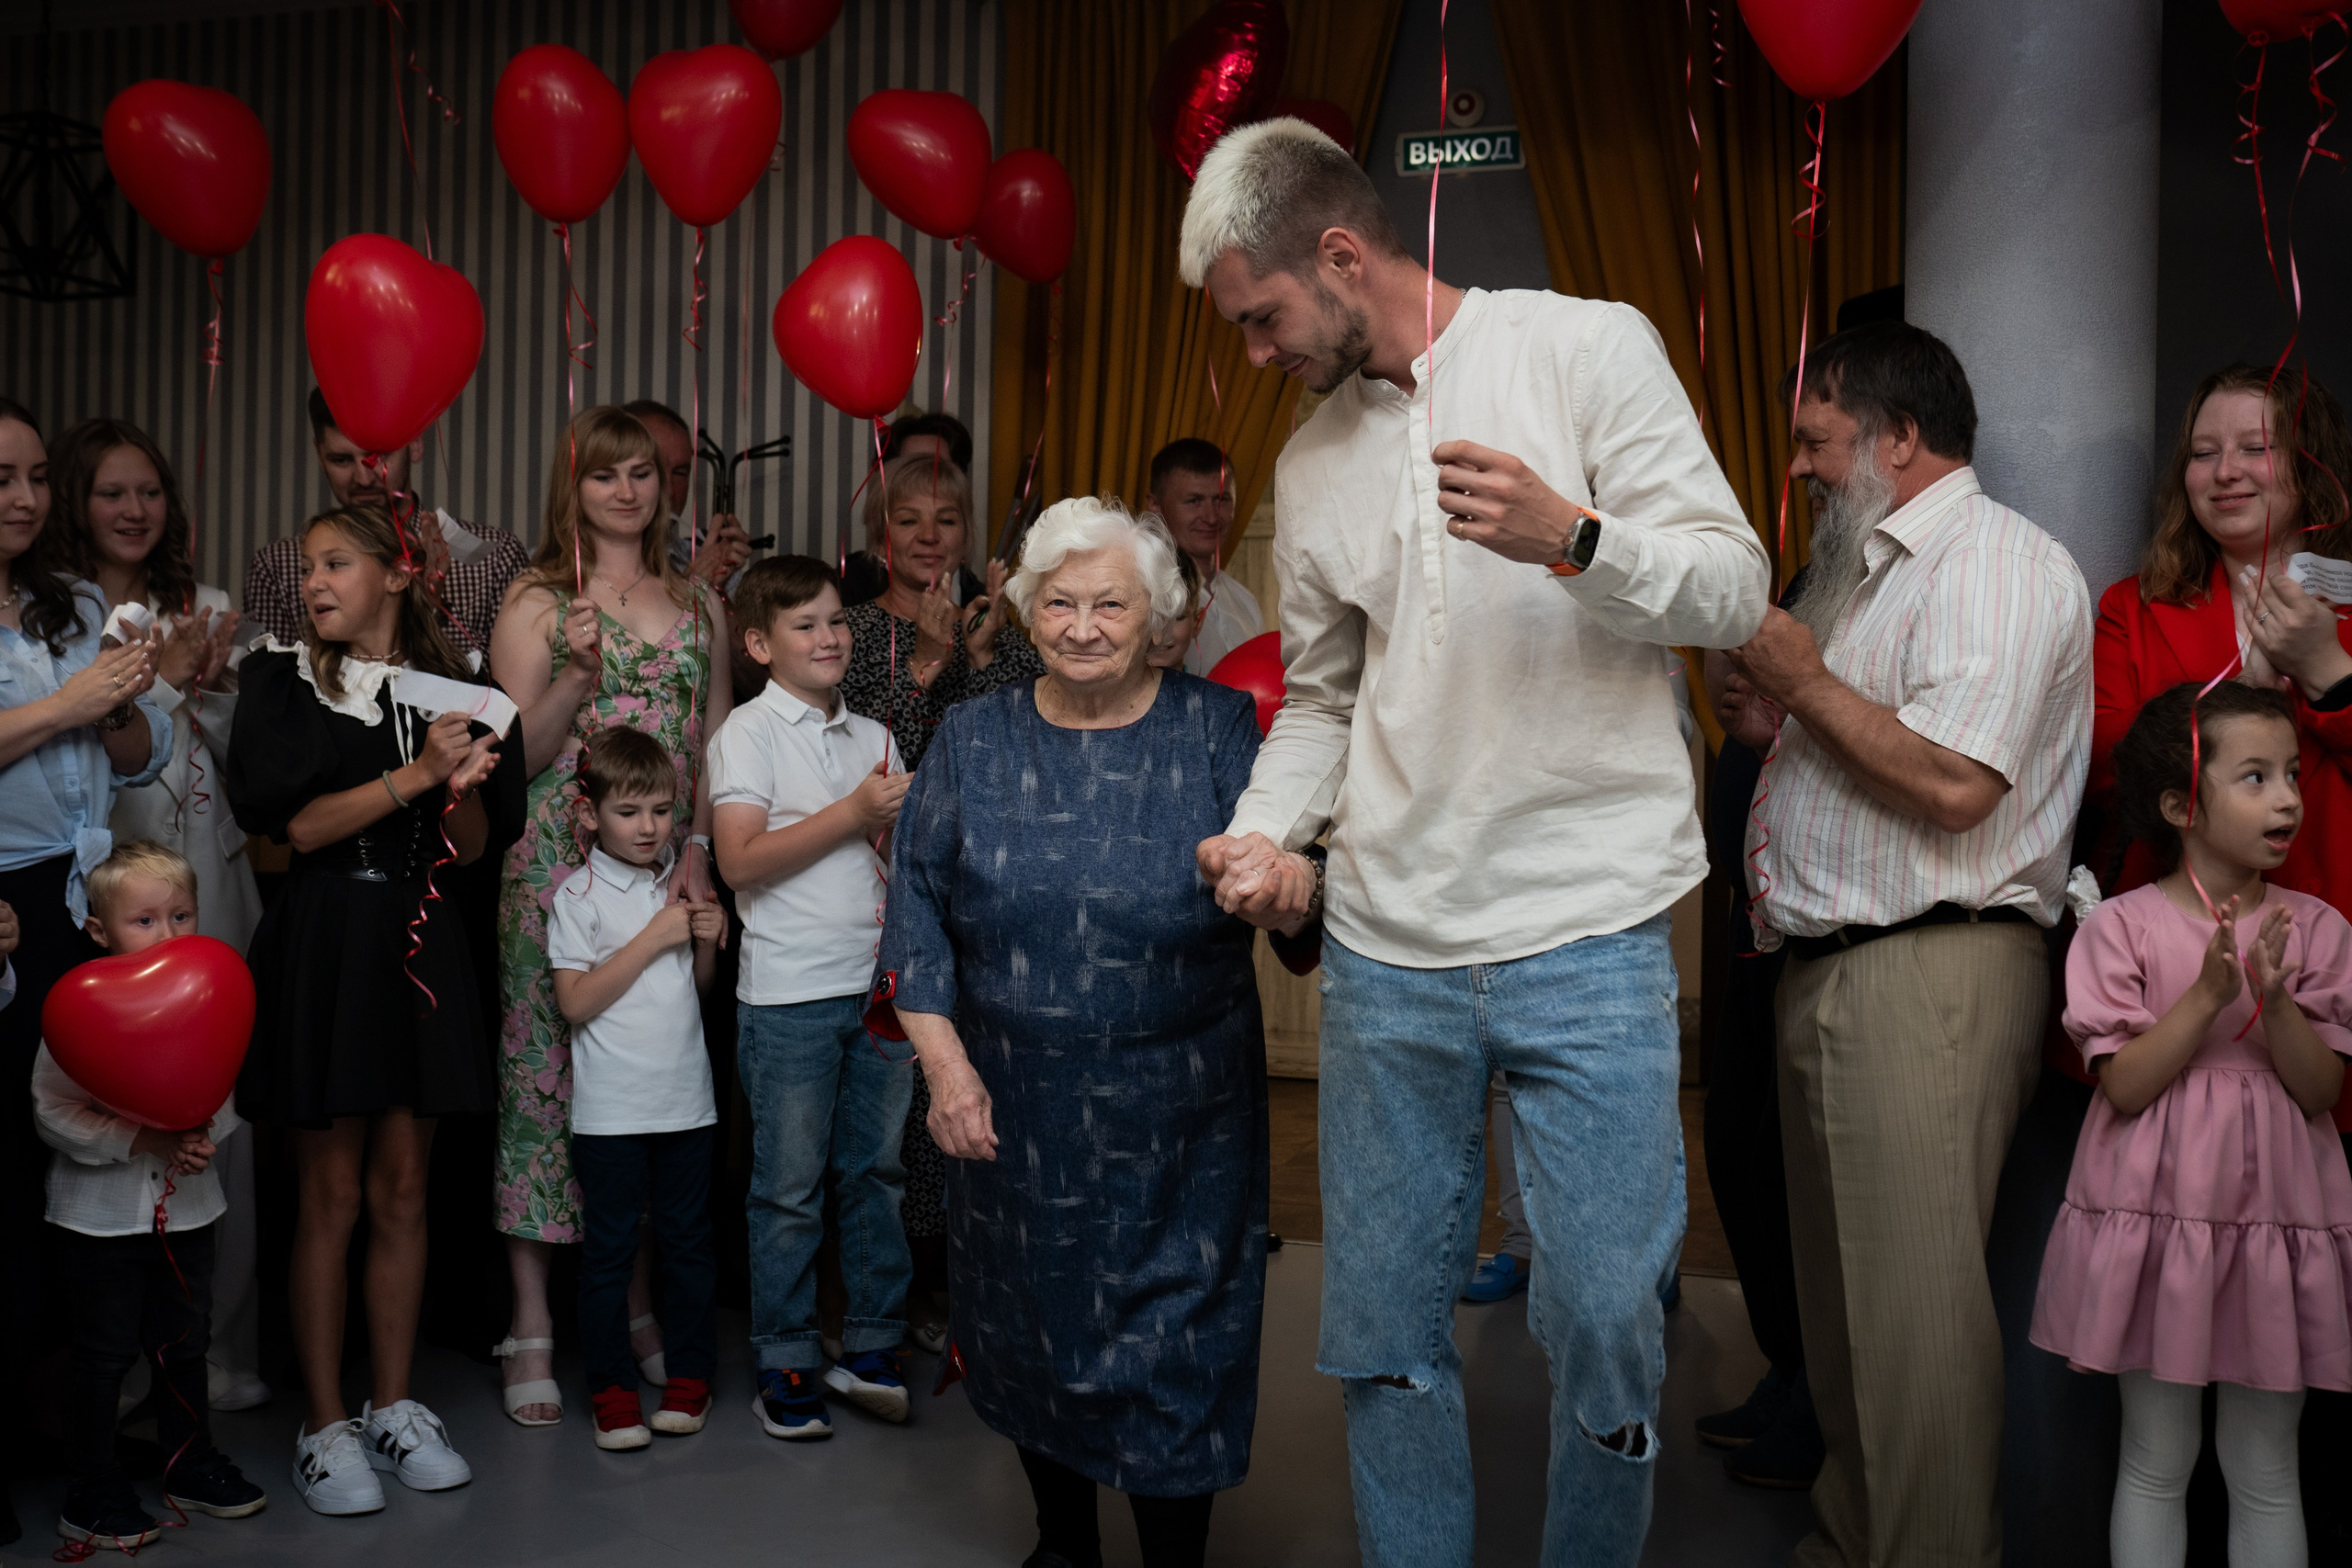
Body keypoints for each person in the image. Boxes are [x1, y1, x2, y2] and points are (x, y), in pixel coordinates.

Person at [1182, 119, 1767, 1566]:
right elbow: (1321, 696)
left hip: (1592, 928)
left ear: (1340, 255)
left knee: (1609, 1324)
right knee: (1383, 1333)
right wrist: (1263, 832)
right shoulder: (1313, 466)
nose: (1256, 357)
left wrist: (1578, 538)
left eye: (1263, 319)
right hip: (1390, 951)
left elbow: (1735, 586)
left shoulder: (1585, 349)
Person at [1724, 323, 2092, 1568]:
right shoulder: (1872, 570)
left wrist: (1803, 678)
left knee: (1915, 1330)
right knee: (1847, 1328)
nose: (1808, 467)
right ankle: (1851, 1543)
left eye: (1820, 442)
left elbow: (1953, 783)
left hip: (1928, 971)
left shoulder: (1992, 562)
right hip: (1838, 968)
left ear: (1897, 438)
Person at [882, 497, 1296, 1568]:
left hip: (1183, 1120)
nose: (1080, 626)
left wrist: (1284, 890)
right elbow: (914, 904)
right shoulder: (972, 737)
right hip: (1013, 1109)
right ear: (1025, 609)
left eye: (1109, 603)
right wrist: (945, 1065)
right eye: (1057, 602)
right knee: (1030, 1331)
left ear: (1156, 613)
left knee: (1179, 1346)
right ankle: (1062, 1541)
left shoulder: (1216, 728)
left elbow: (1296, 898)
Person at [227, 501, 523, 1517]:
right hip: (328, 940)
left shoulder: (461, 692)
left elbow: (475, 849)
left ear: (398, 573)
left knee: (404, 1189)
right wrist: (416, 774)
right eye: (308, 567)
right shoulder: (283, 683)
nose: (313, 583)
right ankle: (324, 1425)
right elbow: (297, 829)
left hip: (422, 941)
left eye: (336, 563)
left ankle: (394, 1405)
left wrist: (464, 784)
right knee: (332, 1195)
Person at [2031, 681, 2352, 1564]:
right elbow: (2125, 1088)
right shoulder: (2120, 928)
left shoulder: (2318, 931)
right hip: (2157, 1227)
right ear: (2180, 805)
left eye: (2291, 773)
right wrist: (2209, 993)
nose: (2288, 795)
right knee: (2155, 1458)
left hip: (2272, 1228)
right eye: (2255, 776)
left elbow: (2320, 1090)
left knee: (2264, 1467)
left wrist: (2273, 998)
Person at [488, 404, 731, 1427]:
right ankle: (533, 1318)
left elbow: (716, 740)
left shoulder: (699, 603)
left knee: (648, 1087)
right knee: (546, 1088)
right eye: (605, 475)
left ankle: (632, 1302)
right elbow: (517, 761)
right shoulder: (536, 600)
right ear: (573, 487)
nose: (629, 491)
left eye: (643, 473)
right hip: (554, 867)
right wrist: (577, 672)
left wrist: (703, 858)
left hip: (666, 862)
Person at [2088, 369, 2352, 1136]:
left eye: (2255, 447)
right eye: (2204, 453)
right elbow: (2109, 769)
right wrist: (2243, 693)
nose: (2226, 471)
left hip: (2331, 938)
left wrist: (2329, 671)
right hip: (2176, 959)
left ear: (2312, 462)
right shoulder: (2132, 606)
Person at [0, 399, 169, 1545]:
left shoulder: (66, 603)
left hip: (81, 901)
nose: (21, 498)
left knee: (81, 1175)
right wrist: (70, 702)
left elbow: (137, 747)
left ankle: (70, 1430)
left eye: (29, 479)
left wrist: (124, 695)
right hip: (6, 902)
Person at [709, 556, 913, 1439]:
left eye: (836, 620)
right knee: (788, 1188)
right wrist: (854, 811)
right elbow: (740, 861)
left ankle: (869, 1345)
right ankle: (784, 1355)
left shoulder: (874, 733)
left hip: (878, 992)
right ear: (759, 644)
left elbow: (897, 862)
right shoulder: (747, 734)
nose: (829, 636)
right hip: (789, 995)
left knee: (875, 1175)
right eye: (805, 624)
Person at [841, 451, 1039, 1302]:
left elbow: (1014, 746)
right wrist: (927, 660)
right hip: (883, 893)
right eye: (909, 520)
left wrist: (983, 651)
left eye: (946, 520)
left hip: (992, 892)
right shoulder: (846, 630)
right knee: (898, 1104)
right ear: (878, 533)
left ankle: (972, 1276)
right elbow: (886, 762)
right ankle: (907, 1287)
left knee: (980, 1076)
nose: (929, 537)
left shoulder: (1010, 629)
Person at [32, 841, 267, 1551]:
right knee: (103, 1356)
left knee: (183, 1344)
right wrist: (144, 1141)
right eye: (144, 920)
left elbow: (220, 1082)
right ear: (99, 929)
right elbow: (53, 1110)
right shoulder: (79, 1007)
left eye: (181, 915)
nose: (168, 934)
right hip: (96, 1221)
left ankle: (189, 1461)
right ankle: (93, 1490)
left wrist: (202, 1133)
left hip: (188, 1209)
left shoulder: (208, 988)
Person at [548, 725, 726, 1451]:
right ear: (590, 814)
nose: (650, 827)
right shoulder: (578, 895)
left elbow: (695, 990)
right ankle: (612, 1390)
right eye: (630, 812)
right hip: (612, 1114)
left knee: (688, 1246)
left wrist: (707, 942)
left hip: (687, 1103)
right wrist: (653, 937)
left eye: (661, 811)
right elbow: (575, 1002)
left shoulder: (672, 887)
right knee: (610, 1254)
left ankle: (690, 1378)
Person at [243, 389, 526, 653]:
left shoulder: (494, 557)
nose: (364, 479)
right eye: (341, 460)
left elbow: (503, 695)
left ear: (414, 444)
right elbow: (277, 695)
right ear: (320, 454)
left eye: (377, 457)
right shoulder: (280, 566)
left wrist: (433, 612)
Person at [1145, 438, 1262, 675]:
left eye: (1222, 499)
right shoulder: (1145, 599)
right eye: (1193, 501)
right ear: (1155, 505)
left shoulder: (1246, 601)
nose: (1211, 517)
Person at [842, 412, 983, 607]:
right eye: (909, 467)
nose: (923, 478)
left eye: (936, 468)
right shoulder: (847, 586)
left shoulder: (980, 600)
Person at [620, 400, 752, 594]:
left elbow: (744, 625)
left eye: (680, 473)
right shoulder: (576, 565)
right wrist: (689, 589)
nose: (670, 491)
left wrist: (718, 591)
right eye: (647, 471)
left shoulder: (703, 553)